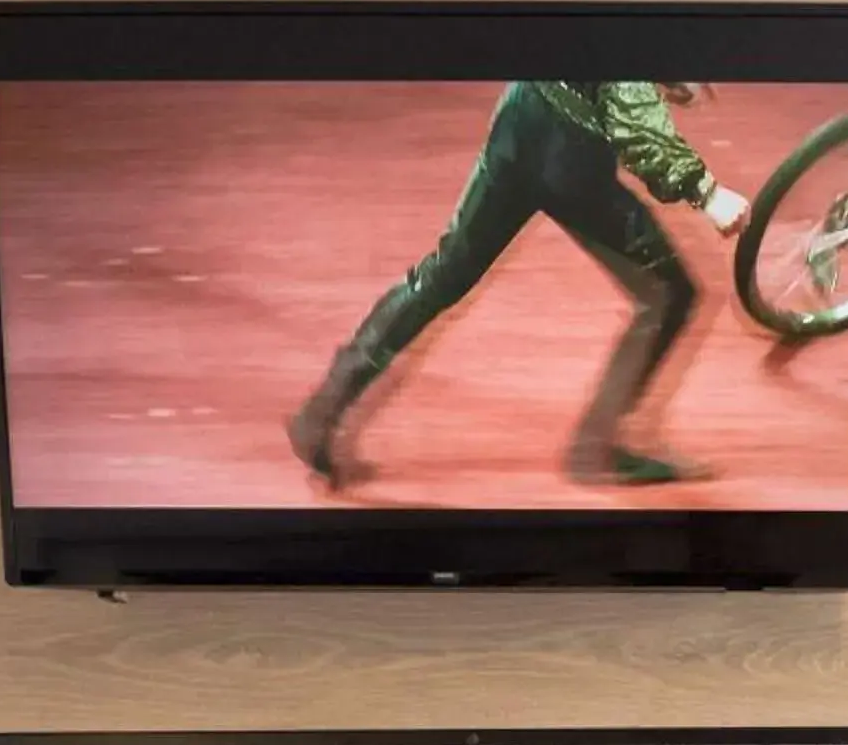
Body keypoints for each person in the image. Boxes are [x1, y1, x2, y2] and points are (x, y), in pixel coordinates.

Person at [288, 81, 751, 490]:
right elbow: (632, 115)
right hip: (571, 153)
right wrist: (706, 193)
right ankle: (601, 450)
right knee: (671, 293)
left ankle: (323, 410)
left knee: (443, 274)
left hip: (523, 112)